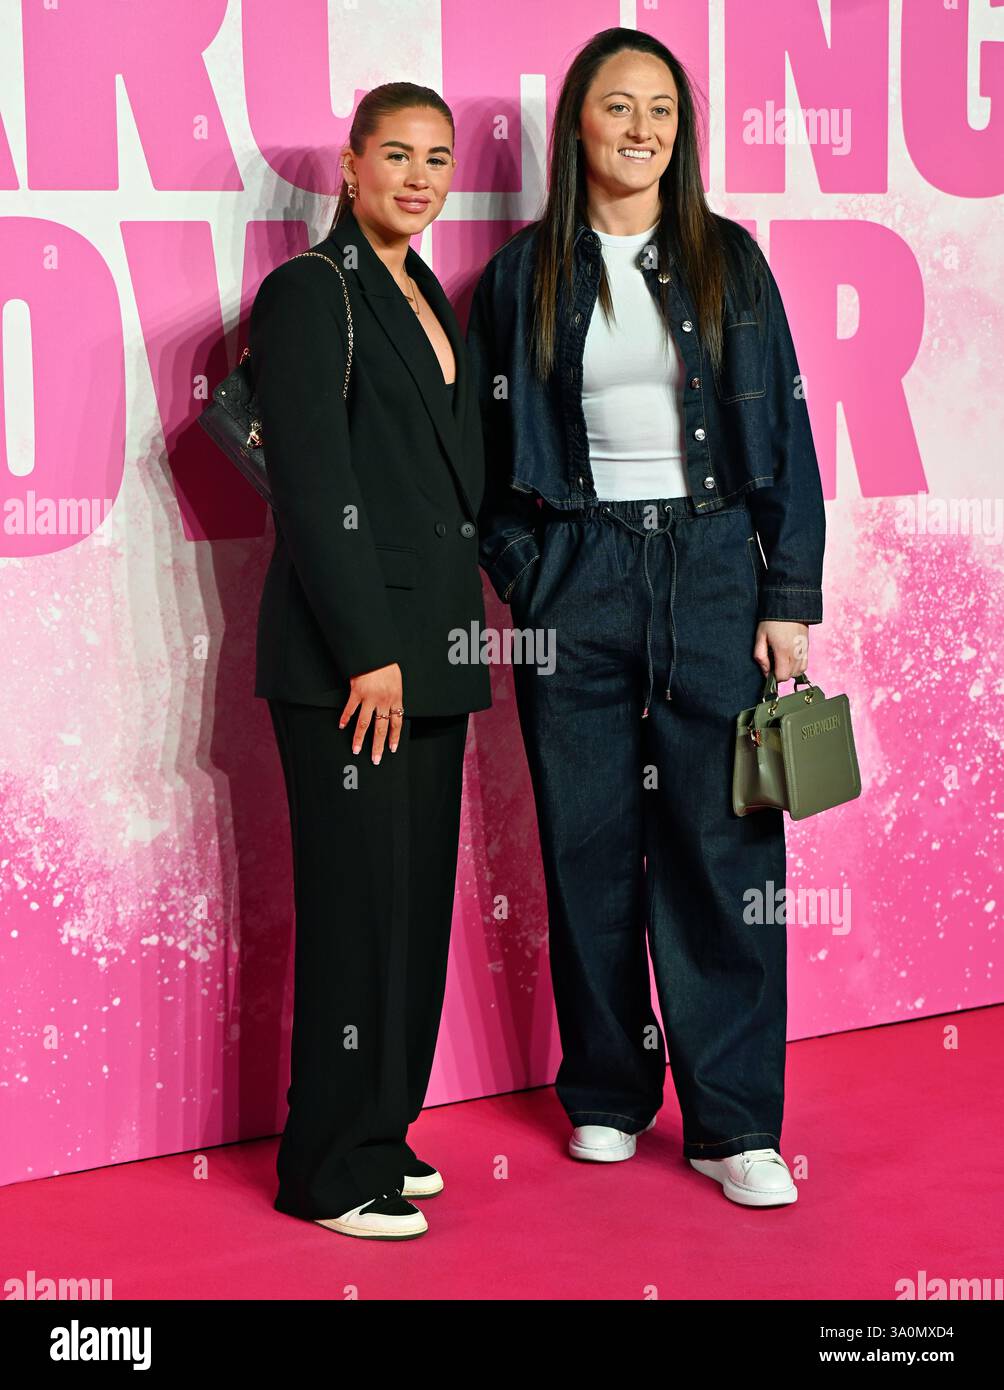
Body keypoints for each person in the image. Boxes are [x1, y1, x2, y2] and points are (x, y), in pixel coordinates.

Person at [467, 27, 826, 1208]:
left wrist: (785, 596)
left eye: (661, 110)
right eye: (617, 107)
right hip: (578, 573)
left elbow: (785, 432)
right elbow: (477, 460)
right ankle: (608, 1091)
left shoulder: (728, 261)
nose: (641, 129)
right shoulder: (523, 276)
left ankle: (733, 1125)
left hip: (715, 571)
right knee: (584, 847)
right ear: (576, 125)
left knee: (722, 849)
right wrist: (530, 572)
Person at [248, 82, 491, 1239]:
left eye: (435, 158)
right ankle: (326, 1169)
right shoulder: (309, 291)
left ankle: (383, 1129)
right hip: (354, 666)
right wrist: (369, 653)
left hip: (436, 652)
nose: (416, 176)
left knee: (413, 909)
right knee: (355, 910)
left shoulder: (428, 295)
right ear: (346, 167)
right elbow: (311, 485)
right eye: (393, 153)